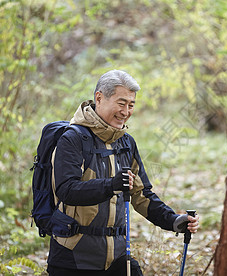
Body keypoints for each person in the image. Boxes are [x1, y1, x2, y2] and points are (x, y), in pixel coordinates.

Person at [47, 70, 200, 275]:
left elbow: (140, 194)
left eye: (131, 105)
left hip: (118, 258)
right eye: (121, 103)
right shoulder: (72, 139)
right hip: (74, 258)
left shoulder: (126, 143)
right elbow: (67, 190)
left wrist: (172, 220)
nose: (126, 111)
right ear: (99, 98)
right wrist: (111, 185)